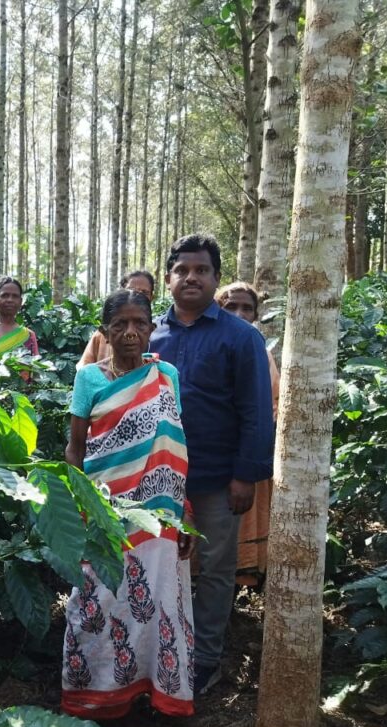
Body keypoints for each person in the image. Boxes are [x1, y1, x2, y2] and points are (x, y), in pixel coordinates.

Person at [61, 288, 195, 722]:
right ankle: (96, 698)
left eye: (140, 323)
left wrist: (185, 513)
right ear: (104, 332)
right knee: (98, 602)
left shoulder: (167, 375)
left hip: (160, 515)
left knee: (157, 604)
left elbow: (173, 446)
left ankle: (153, 693)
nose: (131, 332)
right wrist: (83, 506)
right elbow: (75, 449)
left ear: (152, 328)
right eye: (120, 324)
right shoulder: (89, 379)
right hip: (105, 512)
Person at [148, 234, 274, 696]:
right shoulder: (149, 333)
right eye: (182, 270)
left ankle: (203, 660)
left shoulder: (241, 337)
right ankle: (157, 649)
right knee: (159, 562)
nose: (191, 278)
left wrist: (245, 476)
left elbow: (256, 411)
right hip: (156, 480)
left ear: (215, 278)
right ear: (168, 278)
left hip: (218, 477)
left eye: (201, 270)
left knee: (217, 569)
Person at [216, 281, 280, 587]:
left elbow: (276, 399)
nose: (239, 314)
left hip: (248, 454)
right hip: (208, 454)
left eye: (247, 308)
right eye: (231, 307)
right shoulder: (209, 341)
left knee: (240, 530)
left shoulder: (259, 351)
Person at [77, 270, 155, 368]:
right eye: (131, 290)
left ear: (152, 297)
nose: (136, 296)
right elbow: (84, 368)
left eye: (144, 292)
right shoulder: (103, 335)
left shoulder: (157, 332)